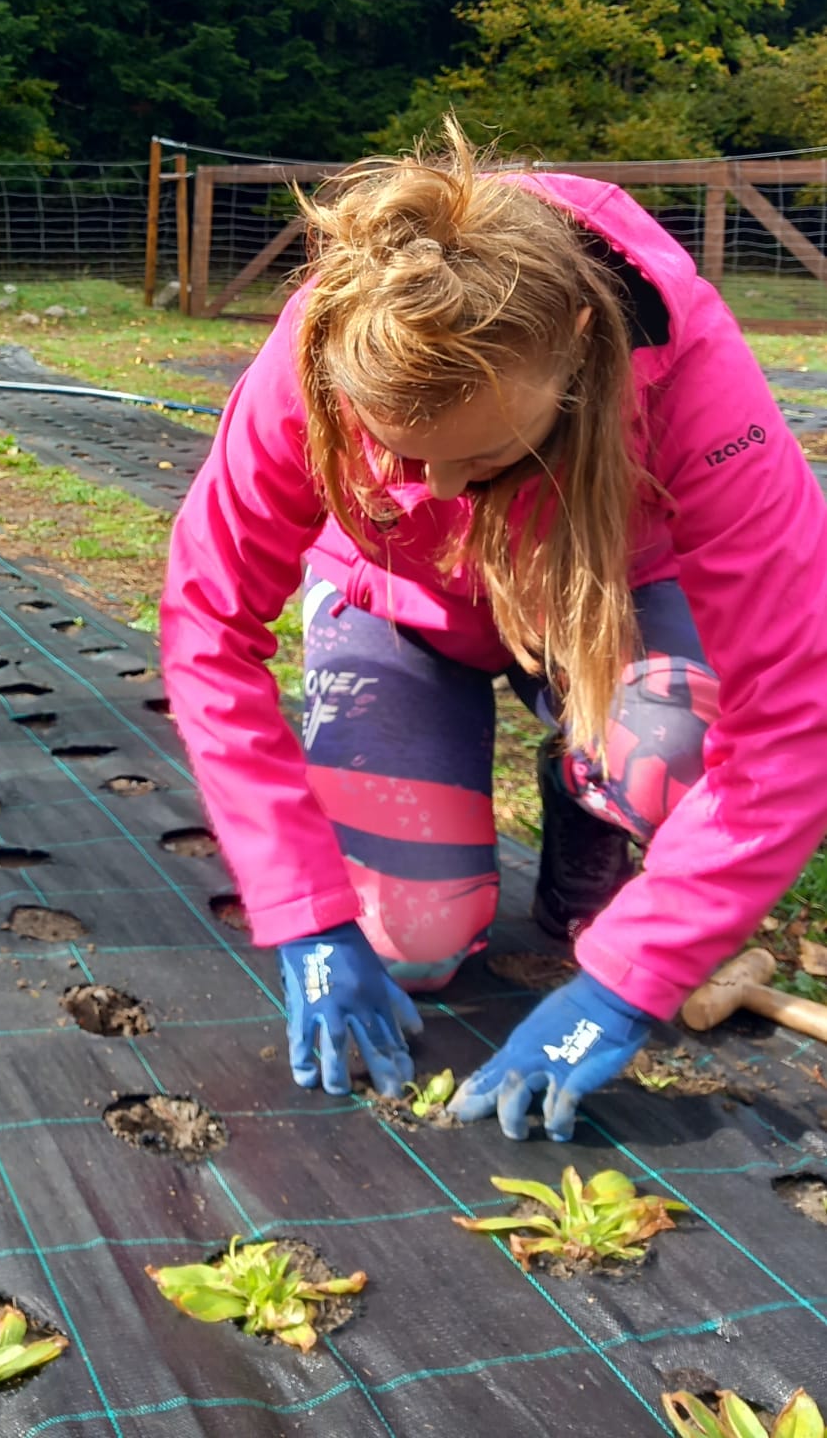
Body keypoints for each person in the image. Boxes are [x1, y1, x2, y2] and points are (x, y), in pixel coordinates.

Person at [159, 125, 827, 1142]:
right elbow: (208, 623)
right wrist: (305, 914)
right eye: (402, 455)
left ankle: (591, 824)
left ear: (580, 364)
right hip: (400, 612)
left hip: (601, 602)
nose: (440, 490)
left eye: (484, 458)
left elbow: (793, 709)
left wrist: (626, 985)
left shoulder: (691, 376)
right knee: (408, 938)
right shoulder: (317, 353)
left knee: (675, 752)